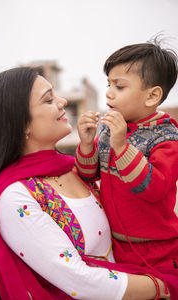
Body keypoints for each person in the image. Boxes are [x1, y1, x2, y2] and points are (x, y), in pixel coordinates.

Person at [0, 67, 169, 300]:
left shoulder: (73, 170)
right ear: (22, 124)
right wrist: (163, 287)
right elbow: (80, 280)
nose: (62, 101)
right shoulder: (15, 196)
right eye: (48, 99)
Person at [75, 40, 178, 299]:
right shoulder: (111, 131)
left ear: (152, 95)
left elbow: (152, 188)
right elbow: (88, 175)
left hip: (159, 251)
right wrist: (87, 143)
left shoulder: (167, 137)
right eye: (109, 84)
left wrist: (122, 146)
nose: (109, 93)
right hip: (117, 247)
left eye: (119, 86)